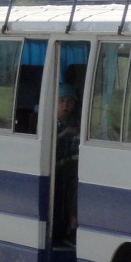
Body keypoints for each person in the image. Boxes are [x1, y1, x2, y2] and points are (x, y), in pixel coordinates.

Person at [54, 83, 80, 244]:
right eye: (61, 101)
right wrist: (62, 135)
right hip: (54, 170)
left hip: (72, 169)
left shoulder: (78, 124)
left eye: (69, 102)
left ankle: (73, 223)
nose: (65, 106)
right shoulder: (43, 122)